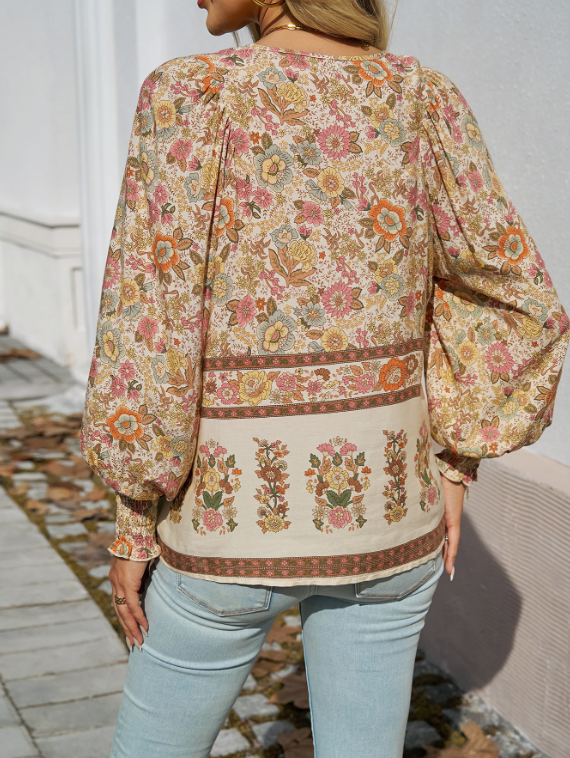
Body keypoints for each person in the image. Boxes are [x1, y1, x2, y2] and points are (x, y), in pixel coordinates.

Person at [81, 1, 568, 755]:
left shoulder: (191, 94)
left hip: (227, 532)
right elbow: (513, 295)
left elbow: (151, 320)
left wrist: (134, 521)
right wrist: (455, 460)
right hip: (392, 520)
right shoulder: (422, 96)